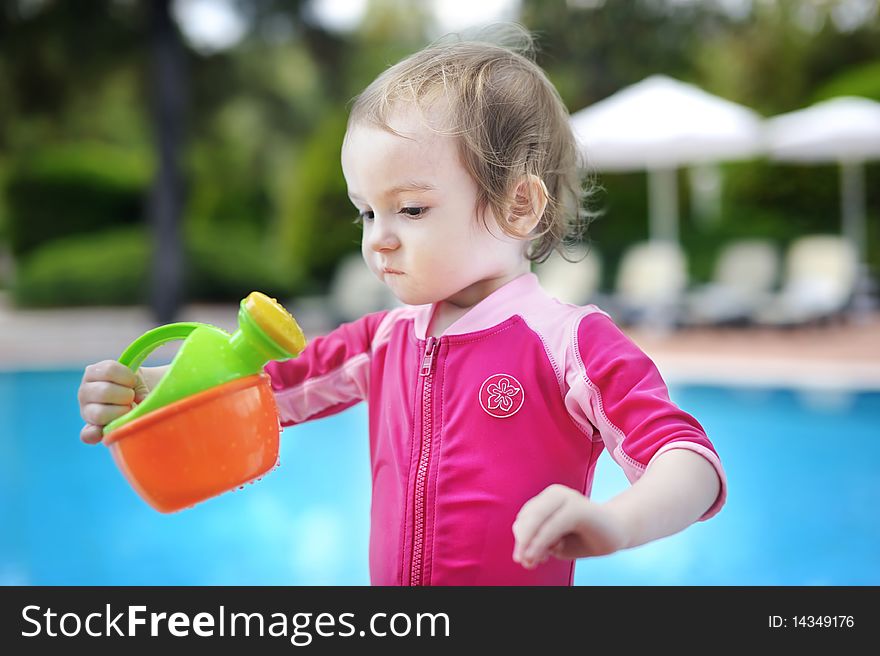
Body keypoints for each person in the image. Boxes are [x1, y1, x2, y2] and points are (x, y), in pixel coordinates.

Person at [77, 27, 726, 585]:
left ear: (518, 205)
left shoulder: (568, 345)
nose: (377, 237)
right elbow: (246, 389)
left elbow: (688, 461)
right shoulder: (382, 339)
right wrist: (142, 391)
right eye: (366, 210)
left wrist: (616, 521)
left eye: (410, 209)